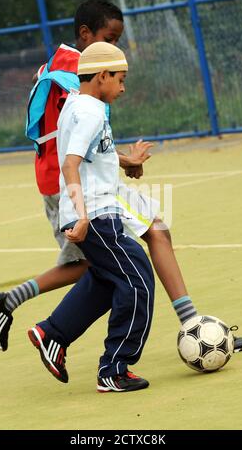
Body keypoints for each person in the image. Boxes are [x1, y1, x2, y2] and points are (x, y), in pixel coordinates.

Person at [0, 0, 242, 354]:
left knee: (90, 264)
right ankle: (191, 327)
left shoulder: (56, 63)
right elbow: (78, 145)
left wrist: (122, 161)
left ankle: (11, 304)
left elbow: (82, 139)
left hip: (56, 180)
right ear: (85, 34)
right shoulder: (81, 69)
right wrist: (122, 162)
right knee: (152, 232)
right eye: (109, 38)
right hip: (79, 185)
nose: (115, 48)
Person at [28, 42, 154, 392]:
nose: (123, 87)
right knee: (138, 279)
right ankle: (113, 369)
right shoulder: (91, 112)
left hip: (94, 212)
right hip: (95, 215)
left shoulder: (79, 105)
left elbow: (94, 155)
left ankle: (53, 333)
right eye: (121, 79)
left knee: (105, 279)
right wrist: (82, 216)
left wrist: (128, 161)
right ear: (102, 76)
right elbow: (70, 163)